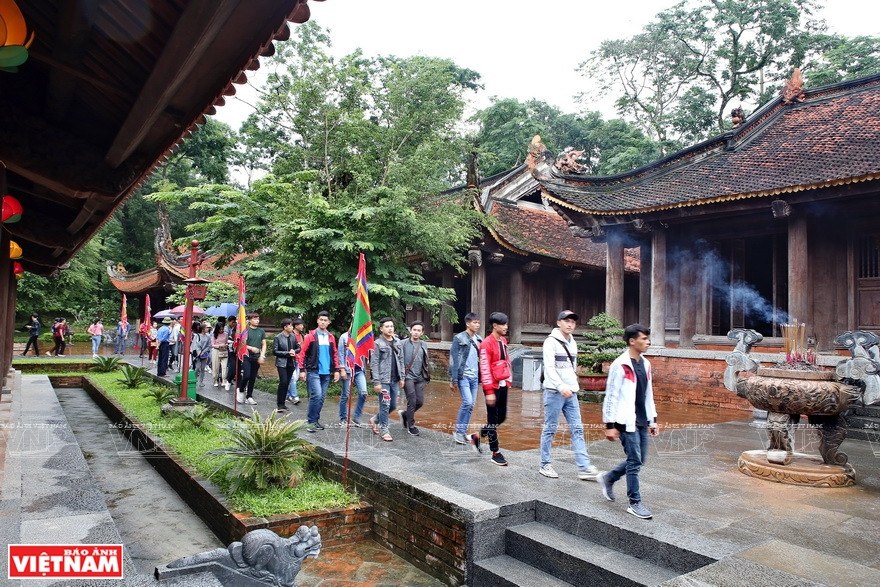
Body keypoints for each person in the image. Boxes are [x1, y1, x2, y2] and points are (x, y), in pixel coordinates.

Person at [596, 324, 660, 520]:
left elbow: (648, 394)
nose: (648, 342)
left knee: (640, 459)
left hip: (641, 419)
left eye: (648, 338)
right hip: (625, 420)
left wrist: (652, 420)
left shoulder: (646, 364)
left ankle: (609, 477)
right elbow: (611, 396)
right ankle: (635, 502)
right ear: (632, 341)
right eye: (644, 339)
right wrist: (610, 425)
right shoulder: (621, 364)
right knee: (634, 462)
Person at [539, 310, 599, 481]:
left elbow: (572, 367)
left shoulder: (573, 342)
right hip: (554, 392)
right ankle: (545, 464)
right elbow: (549, 368)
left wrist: (573, 386)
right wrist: (560, 386)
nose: (570, 324)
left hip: (571, 393)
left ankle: (584, 467)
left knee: (577, 428)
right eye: (566, 321)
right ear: (559, 323)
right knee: (550, 428)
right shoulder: (550, 342)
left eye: (573, 322)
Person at [476, 312, 511, 466]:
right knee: (492, 419)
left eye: (506, 324)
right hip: (492, 386)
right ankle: (495, 452)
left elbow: (506, 360)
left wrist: (508, 380)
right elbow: (484, 368)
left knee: (501, 417)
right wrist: (489, 391)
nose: (506, 327)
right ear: (495, 326)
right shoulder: (486, 344)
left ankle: (477, 436)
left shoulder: (503, 341)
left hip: (503, 383)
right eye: (503, 324)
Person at [298, 311, 341, 432]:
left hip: (326, 372)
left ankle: (315, 420)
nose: (323, 322)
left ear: (329, 322)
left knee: (321, 398)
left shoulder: (331, 337)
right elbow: (302, 353)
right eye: (321, 320)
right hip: (314, 371)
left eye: (325, 320)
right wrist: (302, 370)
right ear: (317, 321)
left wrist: (336, 370)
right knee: (316, 395)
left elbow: (335, 354)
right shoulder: (310, 336)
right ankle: (310, 422)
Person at [368, 317, 403, 442]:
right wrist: (376, 382)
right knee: (385, 404)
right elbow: (374, 364)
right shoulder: (377, 343)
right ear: (381, 329)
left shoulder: (398, 342)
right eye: (387, 326)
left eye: (391, 326)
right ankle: (384, 430)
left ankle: (375, 419)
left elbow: (401, 360)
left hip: (394, 380)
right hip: (383, 380)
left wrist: (402, 377)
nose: (390, 329)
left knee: (393, 405)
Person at [449, 313, 482, 445]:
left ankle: (462, 432)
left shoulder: (479, 339)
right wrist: (453, 379)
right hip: (463, 376)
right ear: (468, 324)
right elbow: (454, 359)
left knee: (471, 405)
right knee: (467, 402)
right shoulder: (459, 338)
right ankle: (458, 432)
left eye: (478, 322)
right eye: (474, 322)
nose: (477, 325)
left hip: (475, 377)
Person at [398, 320, 430, 436]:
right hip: (407, 376)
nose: (416, 332)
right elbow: (399, 360)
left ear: (422, 333)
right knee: (412, 400)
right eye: (414, 330)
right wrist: (401, 377)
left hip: (420, 377)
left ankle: (405, 414)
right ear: (410, 331)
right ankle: (411, 425)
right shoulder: (403, 343)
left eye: (418, 330)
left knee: (420, 402)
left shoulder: (423, 344)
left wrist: (426, 375)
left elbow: (425, 361)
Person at [337, 330, 368, 426]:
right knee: (345, 395)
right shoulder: (344, 337)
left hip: (359, 370)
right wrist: (342, 368)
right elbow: (341, 353)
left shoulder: (362, 336)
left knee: (363, 393)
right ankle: (343, 417)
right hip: (347, 370)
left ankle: (356, 416)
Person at [237, 312, 266, 405]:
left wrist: (262, 355)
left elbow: (264, 344)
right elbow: (241, 344)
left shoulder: (261, 331)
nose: (257, 321)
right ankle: (241, 390)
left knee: (253, 377)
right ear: (249, 320)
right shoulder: (245, 331)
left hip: (256, 357)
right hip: (246, 356)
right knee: (246, 375)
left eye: (258, 319)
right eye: (255, 319)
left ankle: (249, 396)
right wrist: (251, 348)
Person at [272, 318, 299, 412]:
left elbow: (298, 347)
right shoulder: (278, 337)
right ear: (285, 327)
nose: (292, 327)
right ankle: (279, 404)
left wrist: (294, 351)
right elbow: (275, 351)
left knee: (287, 382)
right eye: (290, 325)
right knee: (283, 382)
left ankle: (283, 403)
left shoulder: (293, 336)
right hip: (281, 363)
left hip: (291, 362)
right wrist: (287, 353)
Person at [285, 318, 305, 405]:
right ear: (296, 326)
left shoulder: (302, 335)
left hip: (300, 360)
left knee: (295, 379)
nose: (302, 326)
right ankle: (294, 396)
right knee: (293, 378)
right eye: (301, 325)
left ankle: (287, 395)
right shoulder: (291, 335)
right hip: (292, 359)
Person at [191, 321, 211, 387]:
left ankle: (201, 381)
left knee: (203, 368)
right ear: (202, 329)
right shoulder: (197, 336)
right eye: (206, 328)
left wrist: (204, 352)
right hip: (197, 354)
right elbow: (195, 345)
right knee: (197, 367)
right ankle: (194, 379)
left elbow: (209, 345)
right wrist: (199, 353)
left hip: (204, 354)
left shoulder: (208, 337)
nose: (208, 329)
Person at [211, 321, 229, 388]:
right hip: (216, 351)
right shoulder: (214, 335)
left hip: (224, 351)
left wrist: (226, 345)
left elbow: (226, 342)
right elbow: (212, 344)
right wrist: (219, 346)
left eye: (222, 329)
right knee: (215, 366)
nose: (221, 330)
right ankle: (215, 379)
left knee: (224, 366)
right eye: (220, 329)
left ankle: (223, 379)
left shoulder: (226, 334)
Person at [225, 316, 238, 390]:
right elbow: (229, 344)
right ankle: (229, 380)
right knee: (233, 369)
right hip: (233, 353)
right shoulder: (232, 334)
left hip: (242, 355)